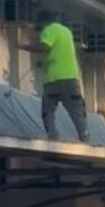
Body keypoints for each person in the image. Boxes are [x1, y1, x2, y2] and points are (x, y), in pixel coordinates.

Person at [17, 10, 89, 142]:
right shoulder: (66, 32)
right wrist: (43, 63)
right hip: (71, 79)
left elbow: (44, 47)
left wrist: (22, 46)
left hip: (54, 81)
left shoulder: (48, 30)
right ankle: (84, 136)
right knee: (77, 110)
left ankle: (52, 135)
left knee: (48, 110)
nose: (37, 25)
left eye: (38, 22)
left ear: (44, 21)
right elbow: (59, 54)